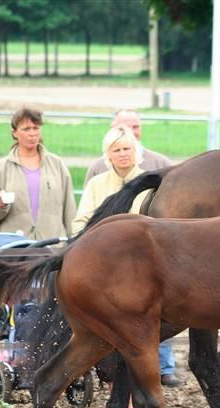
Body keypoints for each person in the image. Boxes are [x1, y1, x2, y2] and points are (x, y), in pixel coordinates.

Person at [82, 108, 182, 392]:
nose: (123, 152)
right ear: (108, 153)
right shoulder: (97, 180)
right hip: (105, 264)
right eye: (117, 149)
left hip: (144, 264)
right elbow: (82, 218)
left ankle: (161, 370)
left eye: (128, 147)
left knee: (156, 316)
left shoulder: (157, 171)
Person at [0, 108, 76, 239]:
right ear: (14, 133)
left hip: (52, 245)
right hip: (15, 247)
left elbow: (69, 209)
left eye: (35, 128)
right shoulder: (1, 168)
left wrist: (72, 241)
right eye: (26, 129)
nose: (32, 133)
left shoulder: (57, 165)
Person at [84, 108, 172, 186]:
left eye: (135, 127)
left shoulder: (162, 164)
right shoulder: (98, 168)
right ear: (113, 129)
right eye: (125, 127)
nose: (131, 132)